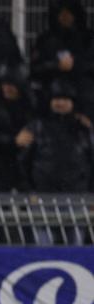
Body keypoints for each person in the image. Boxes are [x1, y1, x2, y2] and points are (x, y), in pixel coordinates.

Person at [17, 79, 93, 244]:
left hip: (76, 197)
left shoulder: (84, 129)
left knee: (75, 247)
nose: (60, 103)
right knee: (43, 246)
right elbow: (24, 161)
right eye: (57, 99)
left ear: (72, 103)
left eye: (65, 99)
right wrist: (29, 191)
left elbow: (91, 161)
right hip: (43, 196)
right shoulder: (37, 126)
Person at [30, 0, 94, 118]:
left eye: (68, 13)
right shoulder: (45, 40)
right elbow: (34, 69)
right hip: (52, 98)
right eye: (61, 13)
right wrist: (55, 66)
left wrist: (75, 65)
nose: (65, 17)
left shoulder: (88, 39)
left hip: (84, 98)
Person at [0, 65, 34, 192]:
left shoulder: (30, 103)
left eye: (11, 84)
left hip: (24, 164)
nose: (7, 88)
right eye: (4, 84)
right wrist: (13, 141)